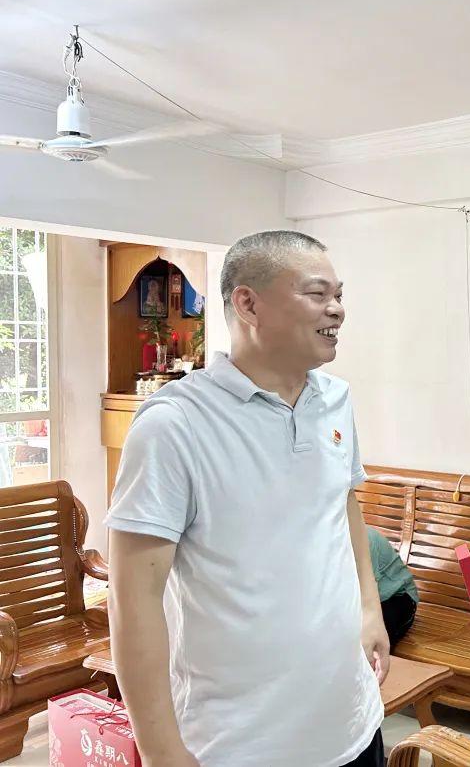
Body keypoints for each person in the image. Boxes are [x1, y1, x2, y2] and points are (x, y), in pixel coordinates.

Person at [106, 230, 388, 767]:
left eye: (339, 295)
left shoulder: (336, 399)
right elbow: (132, 600)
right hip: (237, 746)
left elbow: (342, 506)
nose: (337, 309)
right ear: (248, 304)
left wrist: (369, 610)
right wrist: (162, 752)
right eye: (317, 293)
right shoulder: (174, 424)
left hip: (352, 727)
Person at [366, 527, 419, 647]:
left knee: (371, 637)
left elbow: (368, 591)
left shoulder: (362, 538)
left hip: (397, 596)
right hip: (368, 598)